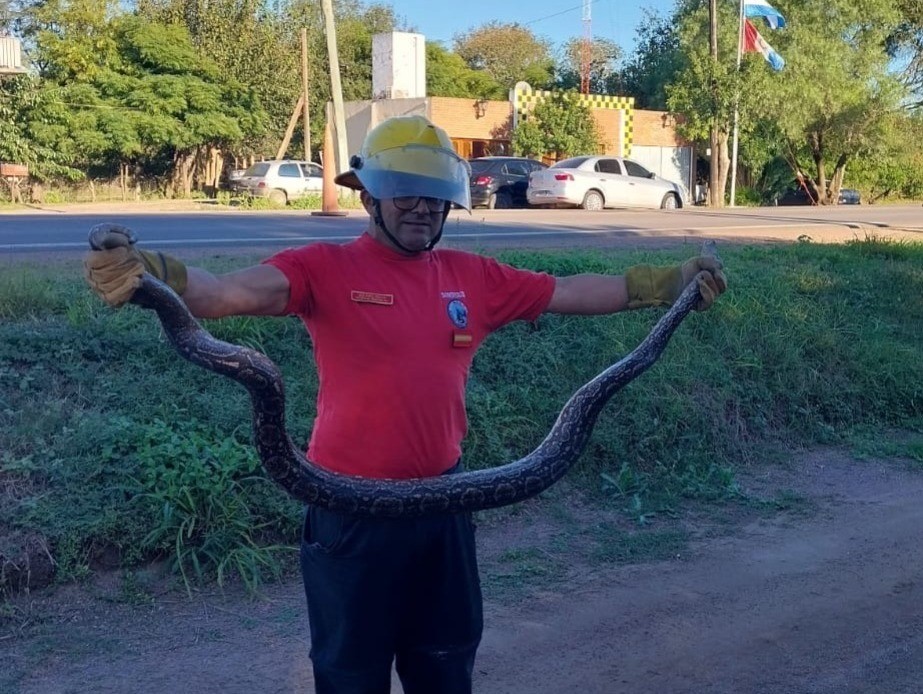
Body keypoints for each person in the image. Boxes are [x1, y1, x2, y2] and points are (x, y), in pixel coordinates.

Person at [84, 115, 726, 694]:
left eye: (436, 196)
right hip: (346, 508)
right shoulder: (321, 268)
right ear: (369, 195)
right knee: (350, 674)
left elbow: (571, 290)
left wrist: (663, 285)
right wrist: (156, 275)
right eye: (405, 192)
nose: (422, 208)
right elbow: (223, 293)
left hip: (446, 504)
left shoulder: (472, 278)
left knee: (445, 665)